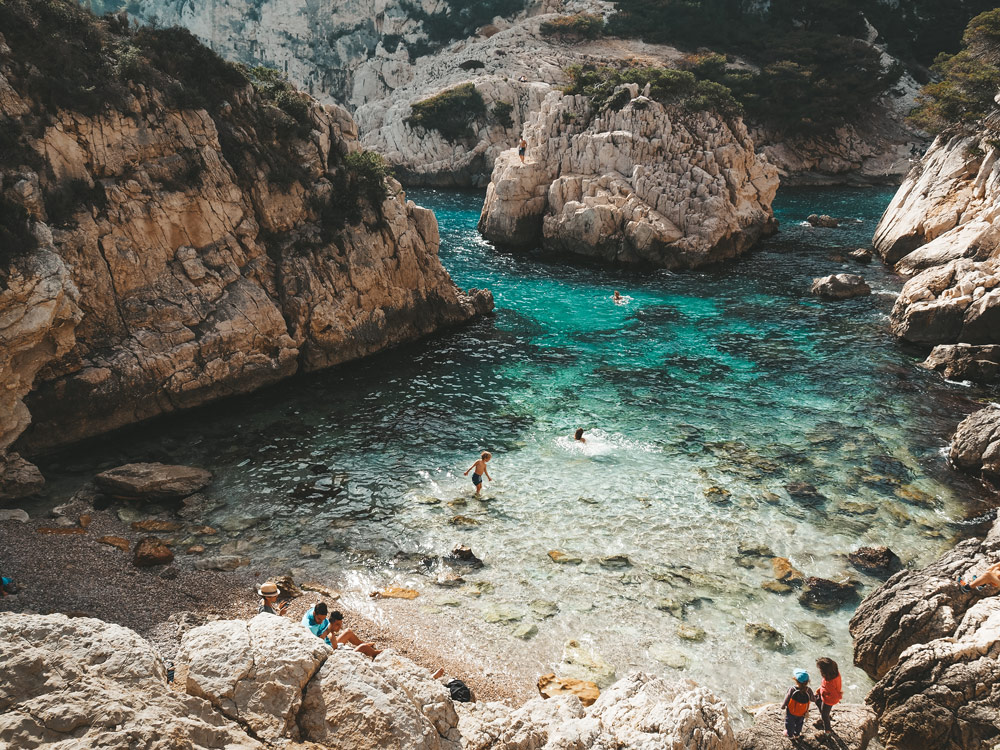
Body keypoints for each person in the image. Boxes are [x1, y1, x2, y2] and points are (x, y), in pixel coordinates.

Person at [781, 669, 814, 739]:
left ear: (795, 679)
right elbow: (813, 699)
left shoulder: (792, 689)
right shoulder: (809, 690)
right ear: (808, 681)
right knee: (799, 723)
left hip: (791, 711)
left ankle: (790, 735)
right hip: (802, 712)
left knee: (789, 723)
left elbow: (787, 699)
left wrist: (783, 706)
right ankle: (797, 734)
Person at [814, 657, 842, 736]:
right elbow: (826, 686)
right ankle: (825, 715)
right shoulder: (835, 673)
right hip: (826, 695)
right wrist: (819, 690)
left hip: (828, 700)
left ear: (825, 671)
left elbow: (834, 694)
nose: (820, 671)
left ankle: (827, 731)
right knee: (817, 700)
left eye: (820, 670)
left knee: (824, 715)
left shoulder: (829, 682)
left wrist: (836, 698)